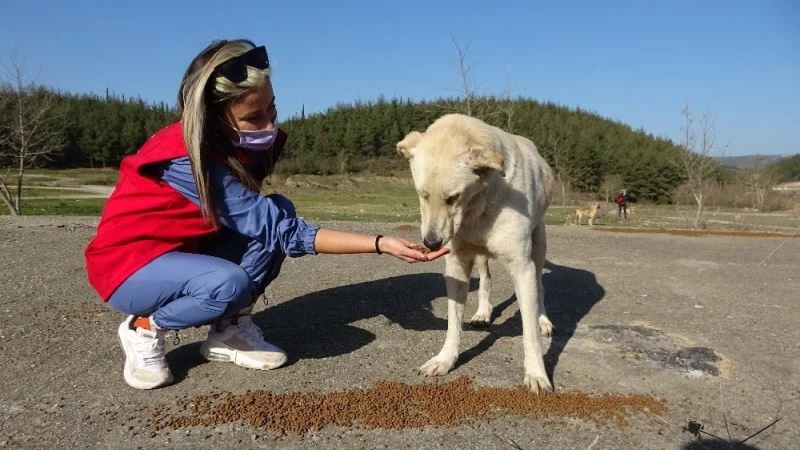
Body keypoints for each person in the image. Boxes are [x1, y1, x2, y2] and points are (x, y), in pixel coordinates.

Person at [83, 39, 448, 390]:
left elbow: (268, 220)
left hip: (188, 250)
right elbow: (284, 234)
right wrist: (380, 244)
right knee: (227, 282)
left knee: (278, 207)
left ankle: (229, 331)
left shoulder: (234, 144)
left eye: (272, 108)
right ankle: (145, 326)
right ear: (213, 117)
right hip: (130, 266)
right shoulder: (184, 157)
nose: (269, 125)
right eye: (253, 117)